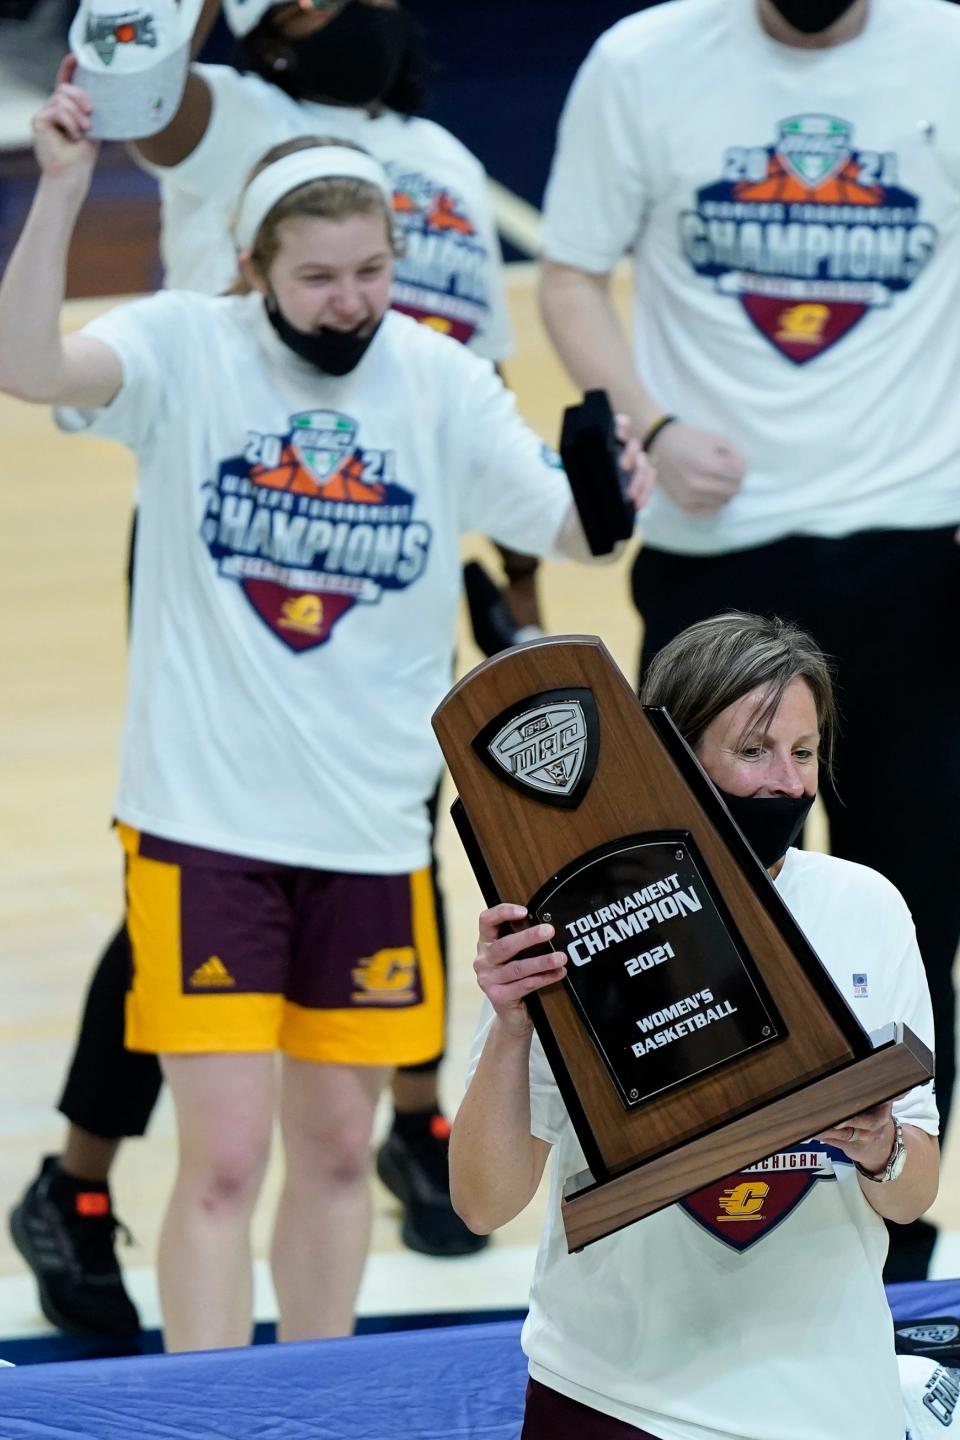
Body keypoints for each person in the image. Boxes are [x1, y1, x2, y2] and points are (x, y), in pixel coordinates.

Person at [0, 69, 652, 1350]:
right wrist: (66, 188)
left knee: (343, 1154)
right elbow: (28, 365)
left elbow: (569, 528)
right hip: (203, 831)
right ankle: (212, 1417)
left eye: (372, 271)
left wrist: (609, 482)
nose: (351, 301)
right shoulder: (185, 344)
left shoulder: (439, 380)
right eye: (319, 278)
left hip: (368, 838)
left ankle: (318, 1407)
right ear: (254, 268)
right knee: (227, 1159)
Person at [536, 0, 960, 1282]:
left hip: (917, 541)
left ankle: (897, 1213)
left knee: (915, 894)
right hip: (721, 554)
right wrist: (653, 426)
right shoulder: (648, 60)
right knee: (690, 892)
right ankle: (705, 1180)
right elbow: (567, 271)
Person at [451, 610, 939, 1440]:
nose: (785, 781)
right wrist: (510, 1026)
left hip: (830, 1409)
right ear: (670, 756)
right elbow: (483, 1204)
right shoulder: (579, 918)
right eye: (752, 750)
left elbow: (914, 1193)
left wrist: (879, 1144)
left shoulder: (869, 908)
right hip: (611, 1397)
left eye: (805, 751)